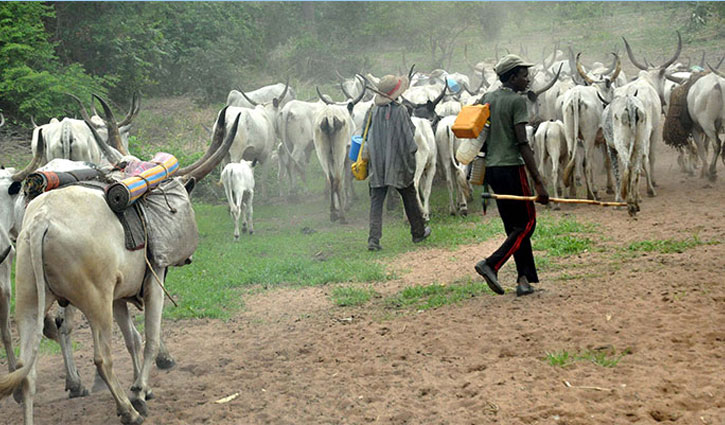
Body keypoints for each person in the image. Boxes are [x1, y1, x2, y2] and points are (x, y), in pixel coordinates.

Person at [474, 54, 550, 296]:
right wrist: (538, 181)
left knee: (514, 227)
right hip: (512, 168)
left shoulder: (488, 98)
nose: (527, 79)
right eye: (524, 74)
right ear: (513, 76)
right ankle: (492, 263)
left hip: (493, 170)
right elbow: (522, 143)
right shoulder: (518, 102)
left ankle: (523, 280)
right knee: (527, 223)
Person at [362, 73, 431, 251]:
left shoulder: (372, 111)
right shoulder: (400, 111)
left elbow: (364, 133)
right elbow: (409, 139)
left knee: (377, 201)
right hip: (398, 163)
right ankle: (418, 232)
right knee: (408, 195)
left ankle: (373, 240)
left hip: (377, 164)